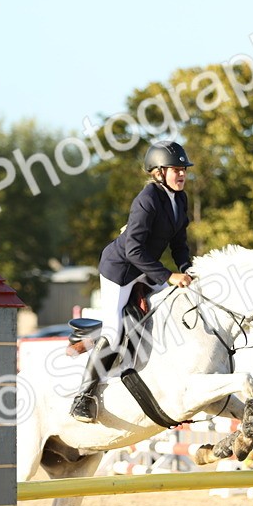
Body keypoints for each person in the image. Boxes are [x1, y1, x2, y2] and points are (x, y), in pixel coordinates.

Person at [69, 140, 196, 423]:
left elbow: (179, 244)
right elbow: (133, 251)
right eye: (176, 169)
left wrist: (188, 267)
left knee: (171, 306)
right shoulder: (147, 199)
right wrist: (168, 275)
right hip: (120, 270)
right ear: (158, 172)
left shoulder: (180, 199)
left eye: (183, 169)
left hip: (147, 268)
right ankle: (83, 397)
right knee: (114, 333)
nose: (182, 174)